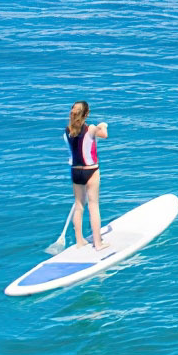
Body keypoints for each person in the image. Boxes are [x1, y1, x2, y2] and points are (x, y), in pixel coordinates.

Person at [66, 100, 110, 249]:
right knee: (93, 206)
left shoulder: (67, 131)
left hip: (75, 171)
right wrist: (103, 124)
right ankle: (98, 243)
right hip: (90, 170)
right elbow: (104, 135)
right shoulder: (91, 129)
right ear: (86, 114)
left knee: (79, 205)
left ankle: (80, 241)